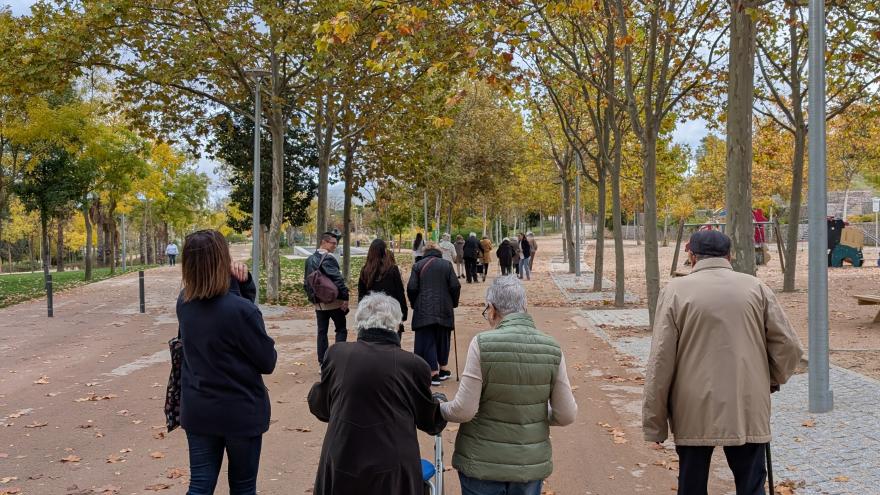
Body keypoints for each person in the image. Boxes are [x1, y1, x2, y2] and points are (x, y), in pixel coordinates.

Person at [643, 230, 803, 495]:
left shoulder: (674, 291)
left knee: (692, 485)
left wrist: (655, 423)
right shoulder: (756, 287)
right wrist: (771, 379)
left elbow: (661, 360)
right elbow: (789, 345)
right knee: (751, 484)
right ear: (730, 255)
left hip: (692, 405)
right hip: (747, 401)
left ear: (692, 256)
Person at [440, 276, 577, 494]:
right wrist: (536, 415)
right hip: (529, 465)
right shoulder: (552, 348)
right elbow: (567, 414)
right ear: (524, 306)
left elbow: (464, 410)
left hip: (481, 462)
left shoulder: (482, 344)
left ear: (492, 309)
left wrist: (441, 408)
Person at [308, 293, 447, 495]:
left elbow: (320, 408)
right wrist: (438, 404)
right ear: (397, 325)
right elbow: (429, 421)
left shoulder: (337, 354)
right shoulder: (414, 365)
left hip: (342, 462)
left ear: (359, 323)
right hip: (392, 469)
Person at [176, 230, 277, 495]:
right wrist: (242, 287)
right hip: (239, 411)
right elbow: (267, 361)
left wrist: (237, 287)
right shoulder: (241, 310)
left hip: (199, 408)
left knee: (199, 485)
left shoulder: (184, 303)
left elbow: (215, 308)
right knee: (243, 487)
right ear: (223, 259)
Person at [407, 242, 461, 385]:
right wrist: (453, 303)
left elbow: (412, 288)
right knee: (443, 337)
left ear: (425, 252)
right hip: (444, 307)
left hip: (424, 308)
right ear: (439, 252)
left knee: (427, 338)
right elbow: (455, 286)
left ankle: (433, 373)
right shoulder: (446, 265)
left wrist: (414, 303)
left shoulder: (417, 266)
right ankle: (442, 369)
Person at [304, 232, 350, 367]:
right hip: (333, 302)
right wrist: (345, 297)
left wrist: (313, 298)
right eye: (333, 243)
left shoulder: (310, 259)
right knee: (341, 329)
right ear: (324, 242)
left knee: (322, 332)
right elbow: (338, 279)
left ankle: (322, 363)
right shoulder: (329, 258)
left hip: (319, 303)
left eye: (336, 243)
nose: (335, 246)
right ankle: (338, 361)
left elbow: (307, 282)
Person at [357, 239, 407, 336]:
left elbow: (361, 295)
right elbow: (400, 293)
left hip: (371, 315)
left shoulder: (365, 270)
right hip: (390, 314)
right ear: (384, 251)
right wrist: (403, 313)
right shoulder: (392, 270)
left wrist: (362, 313)